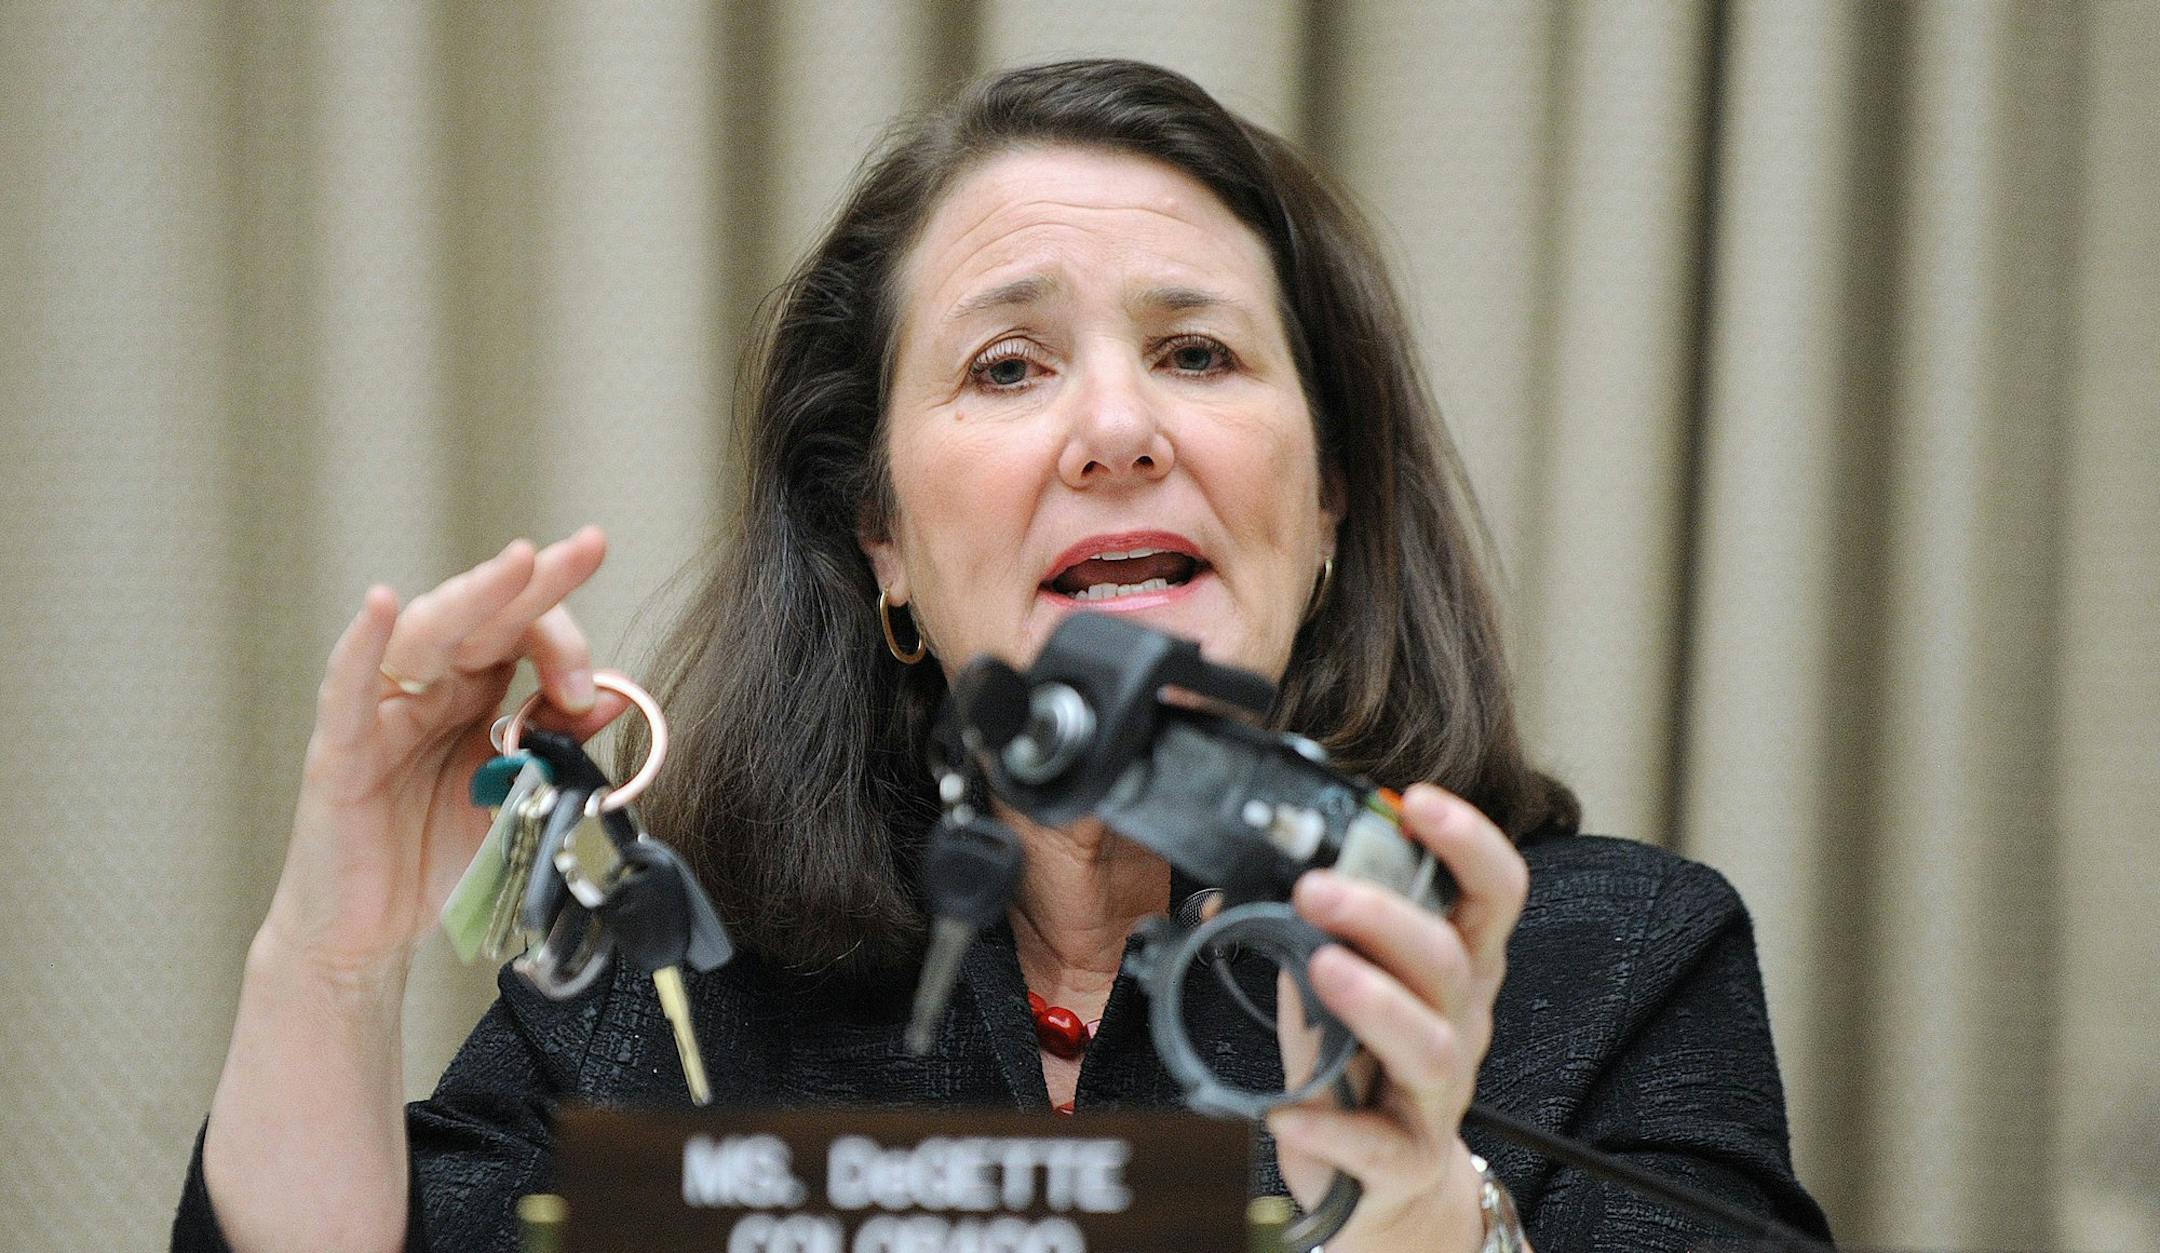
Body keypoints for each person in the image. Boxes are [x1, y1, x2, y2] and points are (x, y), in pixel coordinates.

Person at [175, 59, 1831, 1252]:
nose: (1115, 428)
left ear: (1328, 500)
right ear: (882, 538)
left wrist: (1415, 1214)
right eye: (1009, 367)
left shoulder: (1615, 960)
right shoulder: (668, 993)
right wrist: (332, 953)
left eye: (1195, 350)